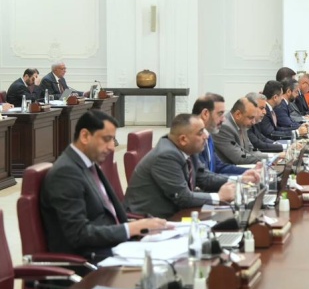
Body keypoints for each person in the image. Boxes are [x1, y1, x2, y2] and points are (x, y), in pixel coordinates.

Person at [40, 110, 167, 260]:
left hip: (116, 246)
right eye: (107, 139)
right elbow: (78, 234)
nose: (112, 147)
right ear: (85, 136)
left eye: (113, 140)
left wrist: (141, 225)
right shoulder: (66, 172)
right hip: (92, 259)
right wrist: (130, 229)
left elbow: (108, 214)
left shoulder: (89, 164)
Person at [125, 114, 258, 219]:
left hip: (176, 212)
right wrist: (219, 197)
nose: (206, 136)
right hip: (152, 219)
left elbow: (204, 178)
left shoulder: (188, 149)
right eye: (200, 133)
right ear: (183, 139)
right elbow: (183, 197)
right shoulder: (166, 156)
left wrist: (240, 179)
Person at [192, 93, 250, 175]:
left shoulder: (208, 136)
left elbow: (219, 167)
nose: (224, 119)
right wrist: (239, 179)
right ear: (205, 114)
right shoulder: (193, 140)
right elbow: (204, 177)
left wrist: (250, 171)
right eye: (220, 114)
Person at [212, 97, 270, 165]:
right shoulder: (224, 127)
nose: (253, 122)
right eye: (251, 118)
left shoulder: (242, 124)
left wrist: (270, 157)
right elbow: (240, 158)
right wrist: (268, 159)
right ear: (238, 114)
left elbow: (250, 150)